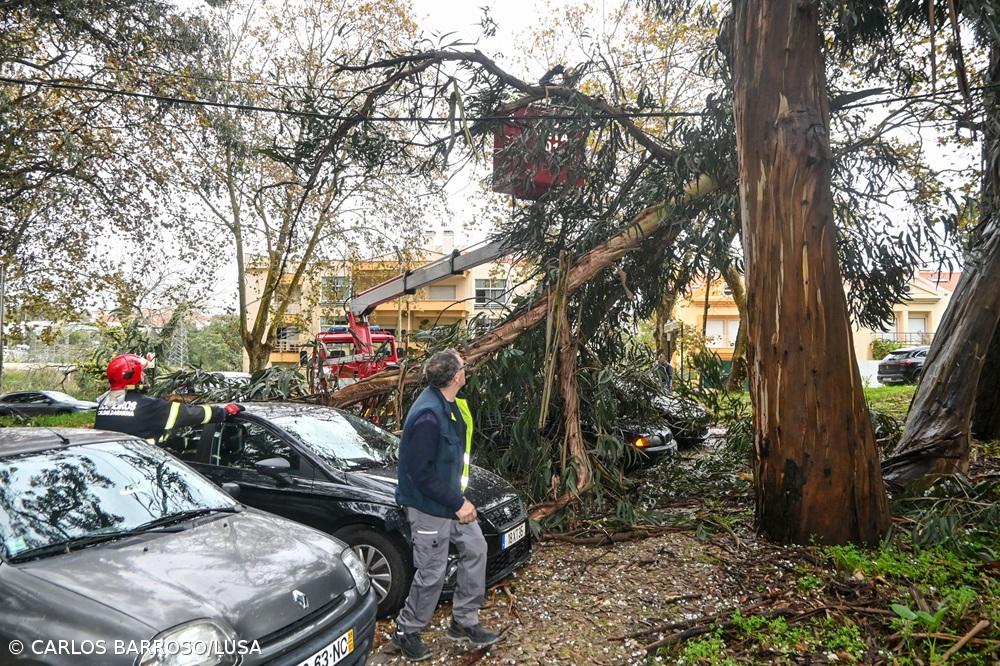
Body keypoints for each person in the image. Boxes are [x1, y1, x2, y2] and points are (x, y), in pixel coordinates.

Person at [391, 349, 499, 661]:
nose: (466, 368)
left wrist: (458, 499)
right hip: (429, 508)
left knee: (476, 549)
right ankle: (406, 632)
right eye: (462, 366)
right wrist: (457, 502)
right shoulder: (428, 416)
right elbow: (421, 474)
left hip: (451, 503)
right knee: (432, 573)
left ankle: (463, 622)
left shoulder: (447, 404)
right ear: (455, 378)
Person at [95, 353, 241, 444]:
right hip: (141, 467)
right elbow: (192, 413)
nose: (144, 377)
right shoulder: (148, 406)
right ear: (133, 377)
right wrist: (223, 412)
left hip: (114, 467)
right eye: (142, 374)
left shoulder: (105, 404)